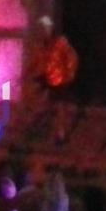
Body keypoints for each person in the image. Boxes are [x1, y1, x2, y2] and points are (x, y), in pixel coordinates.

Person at [26, 16, 78, 144]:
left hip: (60, 81)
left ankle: (60, 134)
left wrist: (68, 75)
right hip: (47, 79)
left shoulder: (61, 43)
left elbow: (72, 58)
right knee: (41, 104)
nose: (42, 32)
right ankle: (34, 128)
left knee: (60, 107)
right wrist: (29, 73)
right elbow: (37, 62)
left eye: (45, 29)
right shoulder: (42, 46)